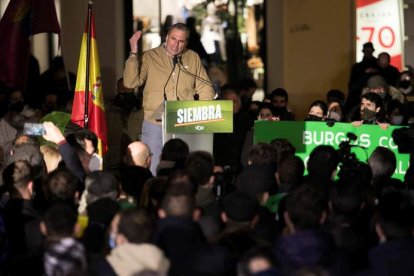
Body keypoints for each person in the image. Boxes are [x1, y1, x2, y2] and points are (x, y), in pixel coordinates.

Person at [123, 23, 214, 175]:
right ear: (167, 37)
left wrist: (202, 114)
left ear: (186, 42)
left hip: (184, 122)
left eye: (181, 41)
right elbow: (130, 83)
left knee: (186, 168)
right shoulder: (150, 56)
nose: (176, 44)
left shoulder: (192, 57)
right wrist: (133, 53)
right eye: (173, 39)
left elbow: (205, 88)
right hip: (155, 123)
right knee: (153, 168)